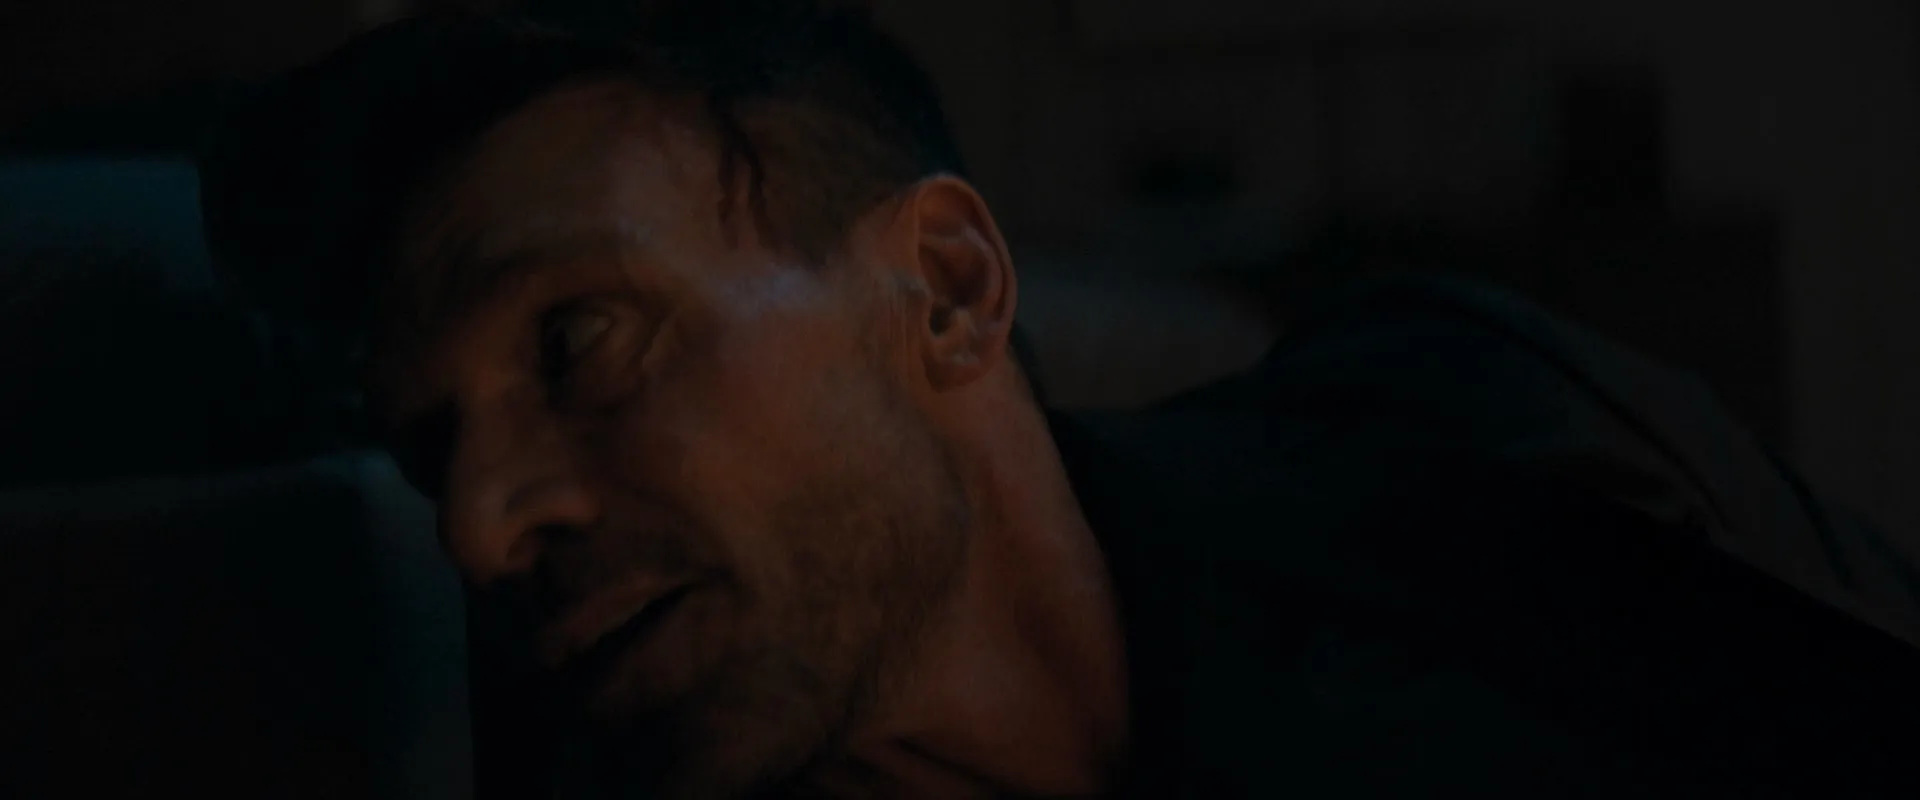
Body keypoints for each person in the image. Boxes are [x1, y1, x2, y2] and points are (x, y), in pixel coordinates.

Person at [199, 2, 1920, 797]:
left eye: (580, 343)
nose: (478, 525)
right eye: (428, 448)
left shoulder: (1481, 440)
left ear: (947, 291)